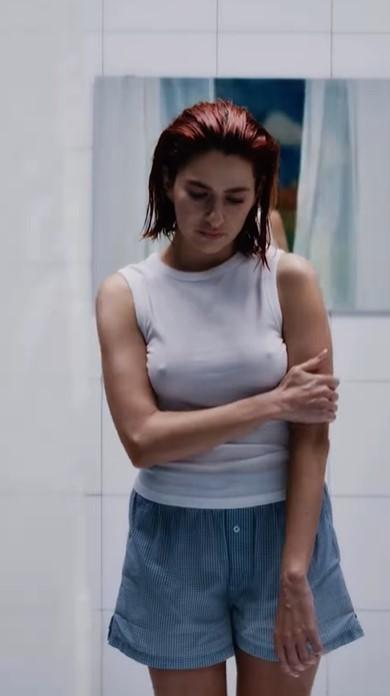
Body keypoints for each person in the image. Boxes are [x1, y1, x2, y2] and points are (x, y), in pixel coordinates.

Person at [95, 98, 364, 696]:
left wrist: (294, 572)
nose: (216, 216)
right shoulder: (126, 294)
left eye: (237, 198)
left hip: (284, 531)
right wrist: (272, 403)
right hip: (173, 537)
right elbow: (142, 439)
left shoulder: (290, 279)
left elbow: (312, 436)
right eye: (198, 194)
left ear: (258, 197)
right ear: (168, 183)